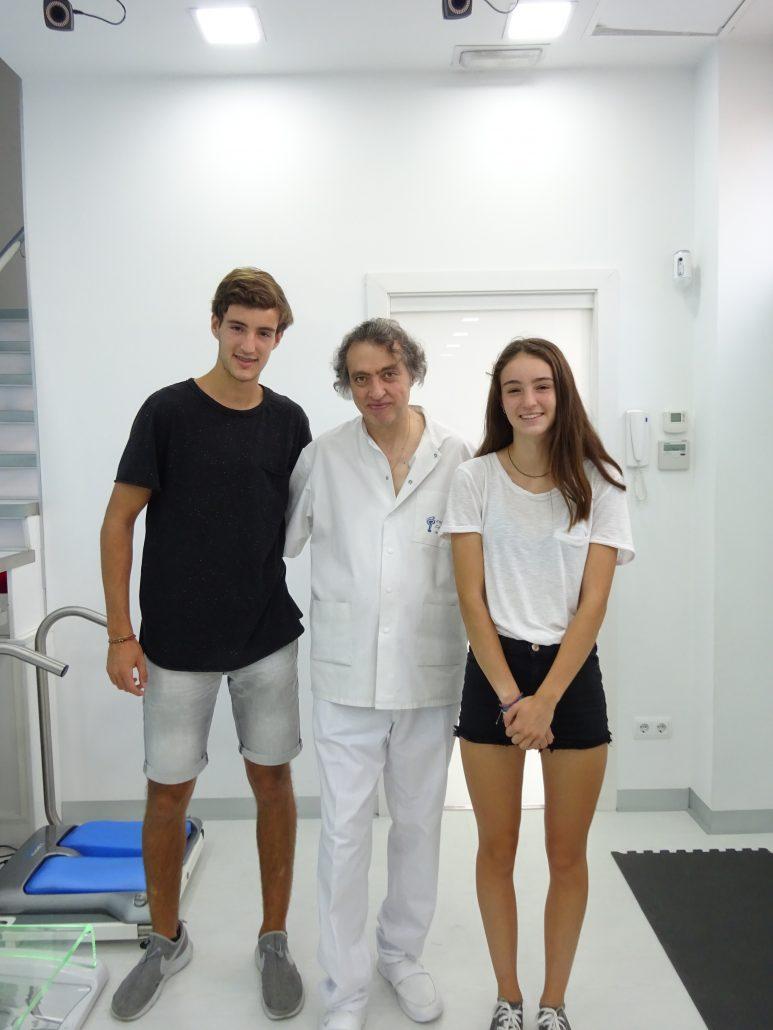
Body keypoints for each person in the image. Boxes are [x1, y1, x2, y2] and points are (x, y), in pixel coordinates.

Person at [100, 267, 310, 1023]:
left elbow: (305, 520)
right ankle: (164, 939)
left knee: (274, 786)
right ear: (216, 325)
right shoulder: (167, 412)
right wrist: (122, 633)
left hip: (265, 639)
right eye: (238, 328)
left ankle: (273, 937)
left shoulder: (289, 420)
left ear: (278, 336)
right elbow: (118, 521)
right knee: (167, 791)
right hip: (175, 643)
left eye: (265, 332)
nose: (250, 344)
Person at [284, 318, 473, 1030]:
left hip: (427, 671)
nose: (375, 390)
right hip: (344, 677)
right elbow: (280, 540)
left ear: (411, 371)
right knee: (343, 835)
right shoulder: (324, 456)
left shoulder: (456, 455)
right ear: (347, 383)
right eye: (360, 378)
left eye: (387, 373)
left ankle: (402, 956)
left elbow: (477, 562)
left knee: (419, 825)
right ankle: (347, 988)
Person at [441, 337, 634, 1030]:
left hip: (569, 678)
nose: (529, 401)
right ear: (499, 399)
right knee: (495, 850)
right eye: (514, 388)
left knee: (565, 855)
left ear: (562, 392)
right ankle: (508, 998)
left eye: (542, 386)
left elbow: (593, 605)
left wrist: (546, 698)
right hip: (493, 675)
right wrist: (510, 698)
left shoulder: (600, 483)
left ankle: (552, 1003)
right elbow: (471, 600)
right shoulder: (473, 479)